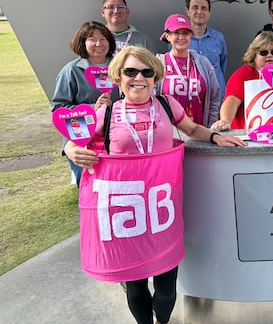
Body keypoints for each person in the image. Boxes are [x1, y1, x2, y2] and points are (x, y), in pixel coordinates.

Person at [64, 46, 245, 324]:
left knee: (165, 290)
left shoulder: (165, 104)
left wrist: (214, 137)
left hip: (162, 212)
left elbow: (192, 129)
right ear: (118, 77)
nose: (139, 78)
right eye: (131, 71)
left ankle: (161, 320)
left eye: (147, 72)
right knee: (136, 286)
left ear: (155, 76)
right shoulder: (107, 112)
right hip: (126, 214)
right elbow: (75, 140)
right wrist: (71, 149)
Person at [51, 21, 119, 186]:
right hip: (83, 140)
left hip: (117, 138)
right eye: (92, 39)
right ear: (82, 43)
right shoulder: (71, 71)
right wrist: (91, 108)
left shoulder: (121, 66)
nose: (98, 44)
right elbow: (59, 109)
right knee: (90, 190)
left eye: (103, 39)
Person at [211, 31, 273, 131]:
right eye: (263, 52)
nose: (269, 55)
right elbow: (232, 101)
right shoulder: (244, 74)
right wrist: (225, 121)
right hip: (250, 138)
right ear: (254, 56)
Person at [156, 14, 220, 128]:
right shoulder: (158, 64)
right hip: (169, 135)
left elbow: (214, 98)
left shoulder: (203, 62)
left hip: (200, 133)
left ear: (191, 36)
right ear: (167, 36)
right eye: (176, 32)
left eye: (185, 33)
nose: (181, 37)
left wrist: (210, 127)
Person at [182, 0, 227, 100]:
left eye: (204, 8)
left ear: (209, 13)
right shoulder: (180, 39)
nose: (199, 11)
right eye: (195, 7)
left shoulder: (218, 38)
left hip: (217, 100)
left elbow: (222, 66)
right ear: (187, 11)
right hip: (190, 101)